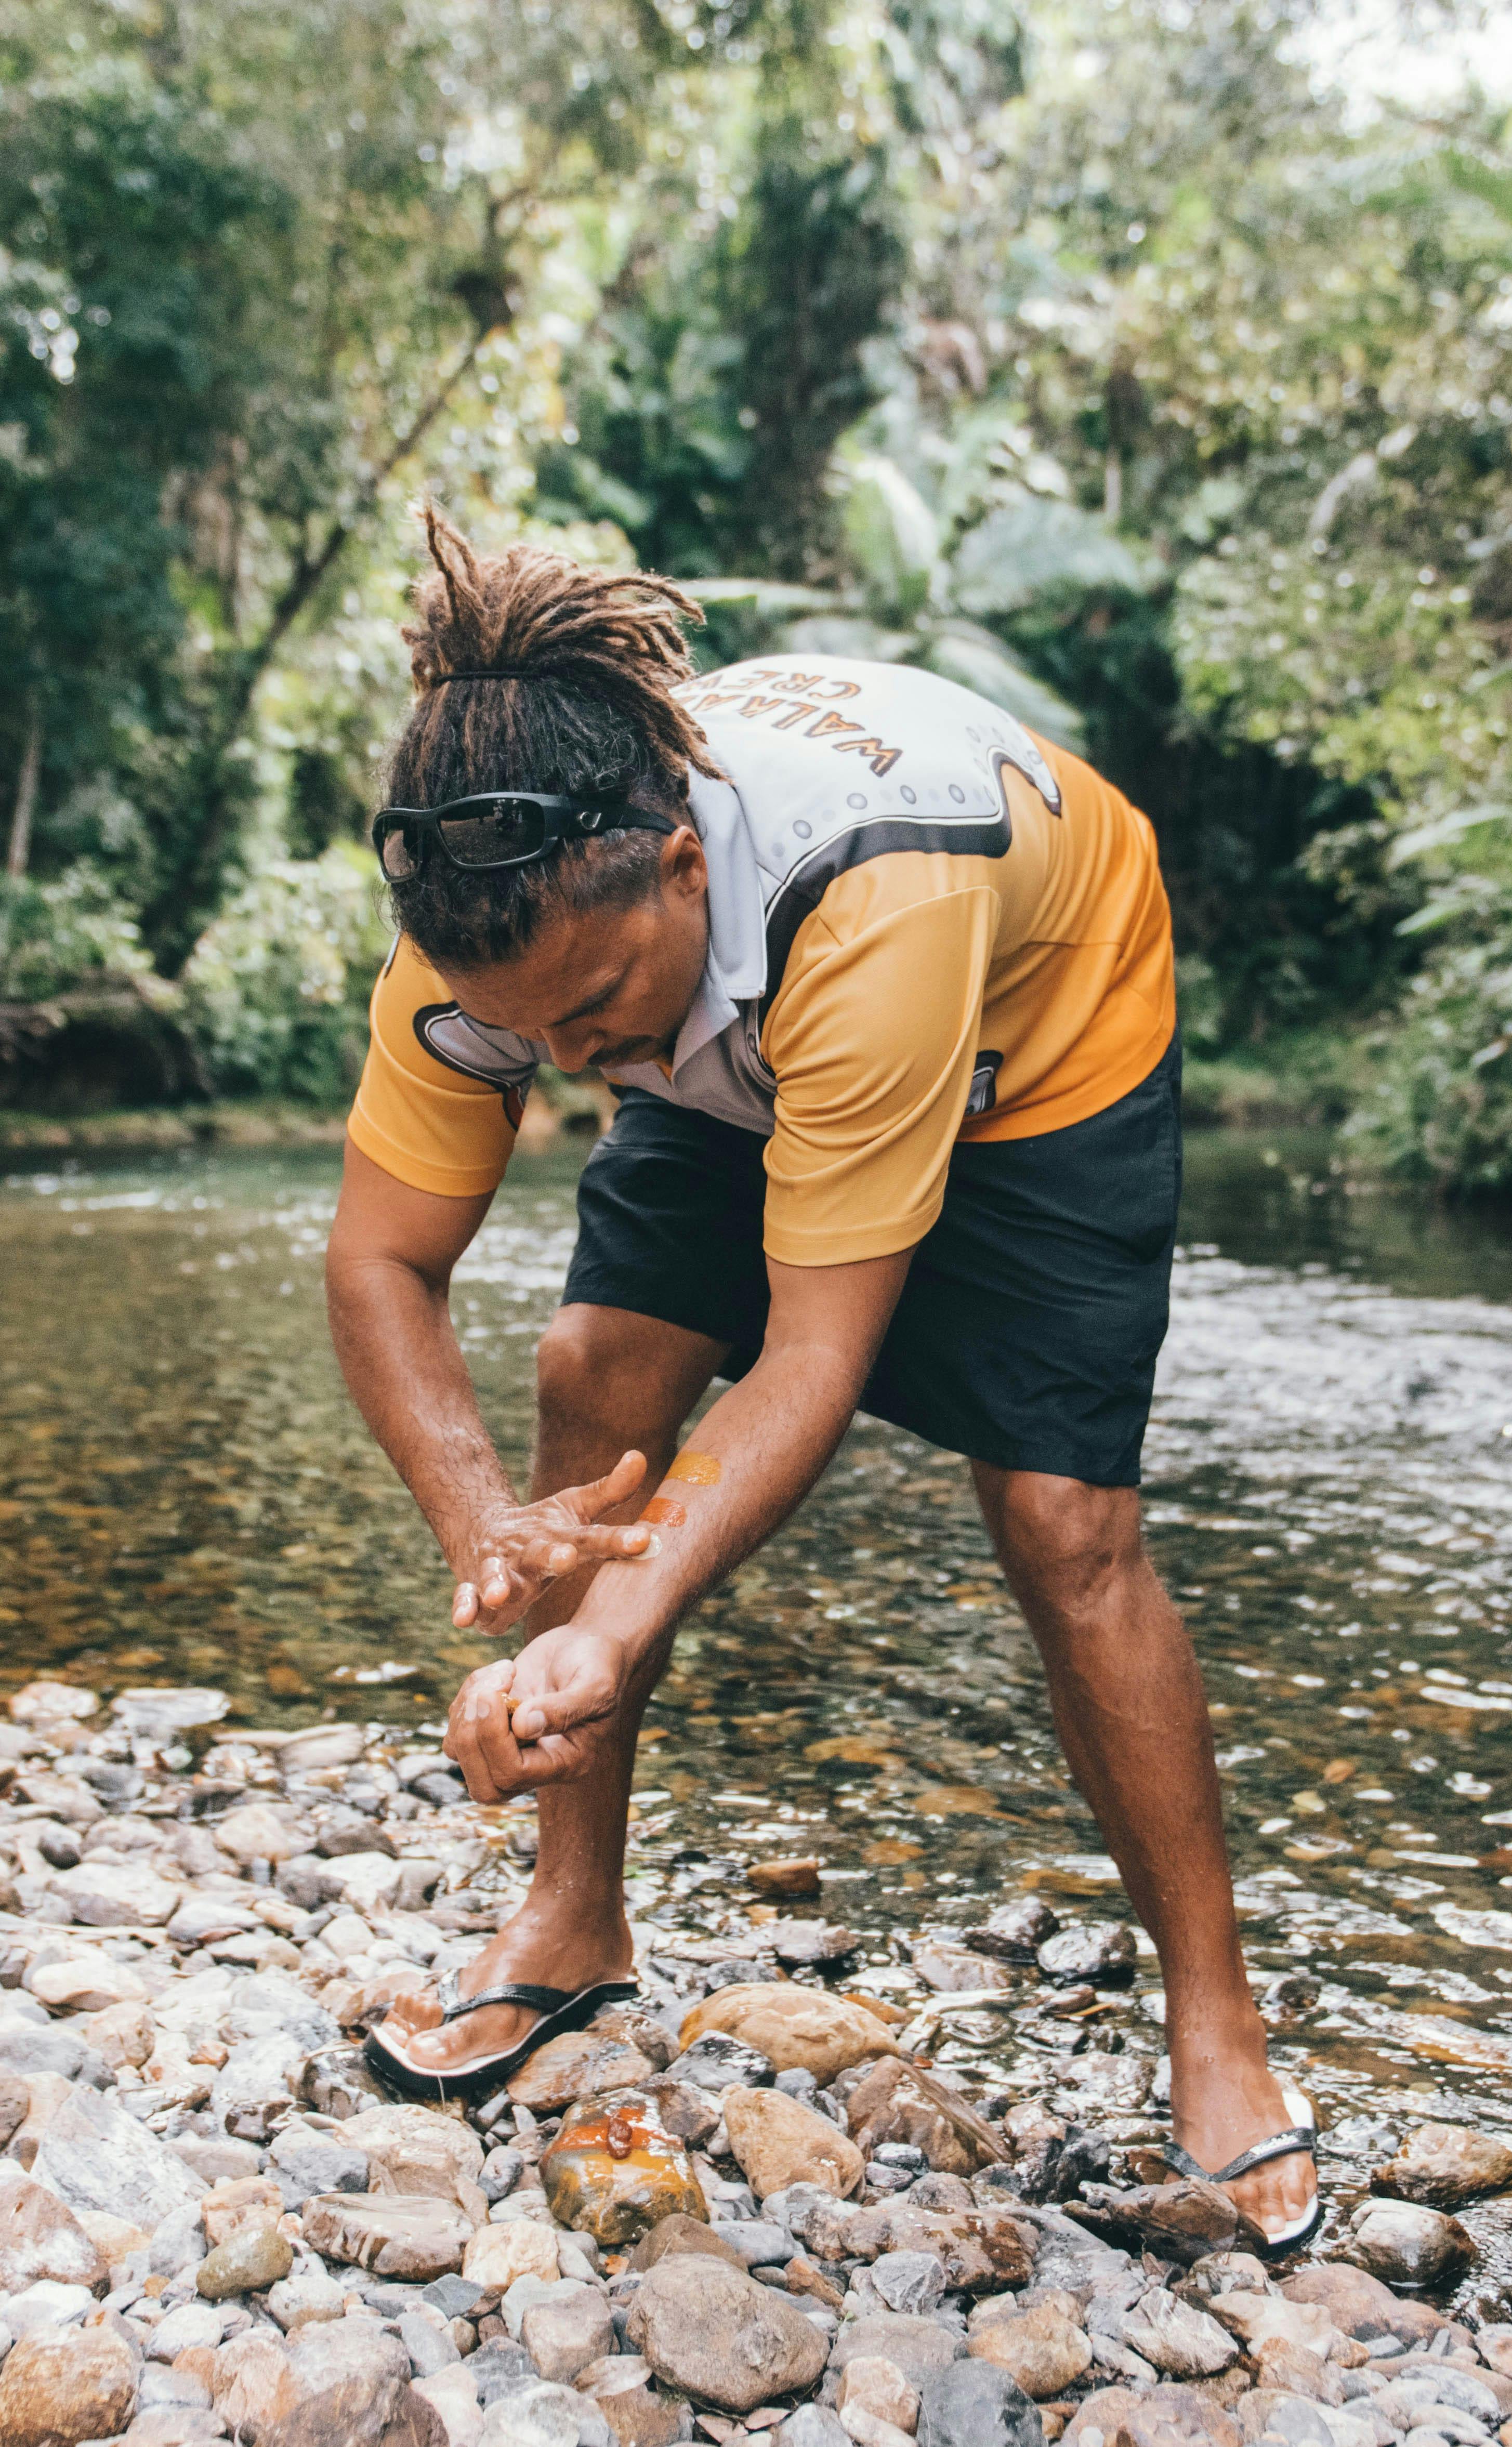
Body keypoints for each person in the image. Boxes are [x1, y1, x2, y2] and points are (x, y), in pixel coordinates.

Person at [322, 511, 1318, 2248]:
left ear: (677, 865)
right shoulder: (497, 923)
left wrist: (608, 1625)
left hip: (1038, 1030)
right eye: (530, 1032)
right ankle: (573, 1919)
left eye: (593, 1008)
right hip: (746, 1038)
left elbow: (812, 1361)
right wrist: (490, 1533)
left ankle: (1217, 2017)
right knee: (592, 1367)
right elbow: (378, 1263)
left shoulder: (868, 892)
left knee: (1062, 1520)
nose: (568, 1065)